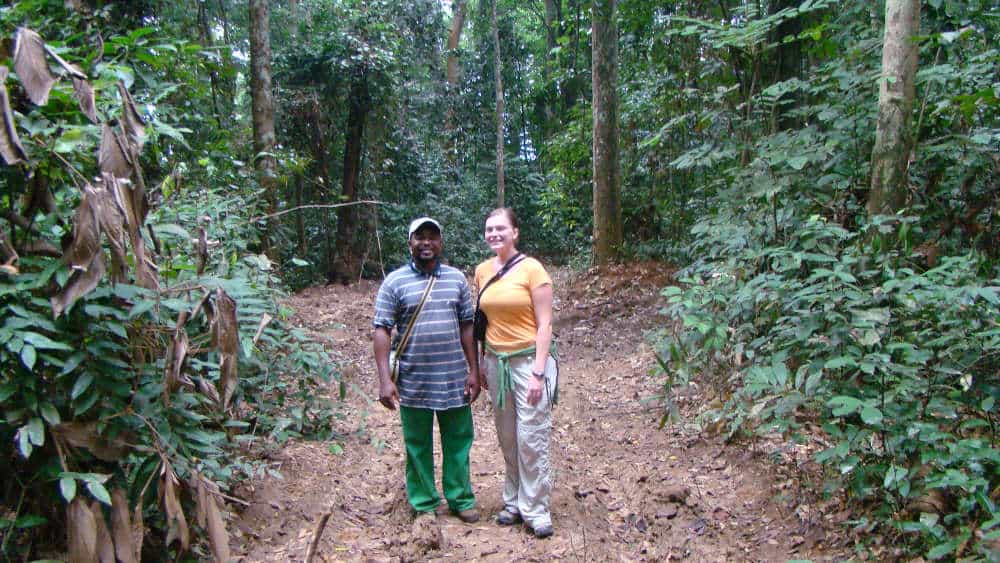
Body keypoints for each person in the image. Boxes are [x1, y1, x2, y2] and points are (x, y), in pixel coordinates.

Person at [373, 217, 482, 524]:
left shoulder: (457, 280)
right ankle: (424, 502)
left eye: (432, 237)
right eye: (419, 237)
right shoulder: (394, 282)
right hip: (414, 379)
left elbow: (467, 326)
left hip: (453, 378)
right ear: (410, 243)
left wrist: (473, 370)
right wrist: (384, 380)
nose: (426, 242)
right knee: (417, 443)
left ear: (441, 243)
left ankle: (460, 498)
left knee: (459, 440)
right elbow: (381, 330)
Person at [474, 208, 557, 539]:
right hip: (496, 363)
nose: (494, 234)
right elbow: (483, 322)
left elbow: (545, 323)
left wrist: (538, 372)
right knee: (507, 436)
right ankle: (513, 501)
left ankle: (536, 508)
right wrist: (481, 361)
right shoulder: (481, 271)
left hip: (528, 363)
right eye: (489, 229)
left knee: (531, 437)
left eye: (501, 228)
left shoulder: (533, 270)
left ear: (515, 232)